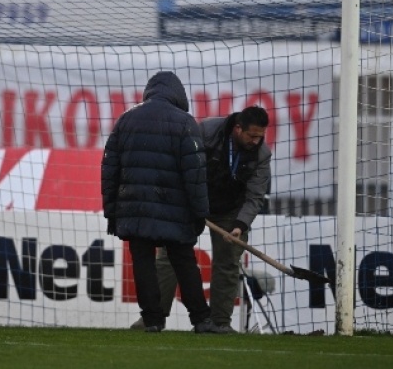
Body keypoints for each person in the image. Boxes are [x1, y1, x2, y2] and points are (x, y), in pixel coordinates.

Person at [101, 71, 224, 334]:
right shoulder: (185, 123)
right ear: (178, 96)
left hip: (135, 209)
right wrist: (199, 213)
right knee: (184, 262)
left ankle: (153, 320)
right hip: (174, 210)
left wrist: (111, 211)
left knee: (143, 263)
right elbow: (195, 174)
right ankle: (201, 320)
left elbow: (109, 168)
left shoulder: (126, 120)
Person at [130, 106, 272, 333]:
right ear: (238, 128)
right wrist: (185, 202)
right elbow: (180, 164)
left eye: (260, 136)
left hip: (230, 211)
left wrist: (239, 225)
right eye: (252, 135)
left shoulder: (262, 155)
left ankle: (219, 324)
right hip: (192, 202)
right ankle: (153, 319)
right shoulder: (205, 130)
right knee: (169, 256)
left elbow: (255, 196)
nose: (256, 141)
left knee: (227, 263)